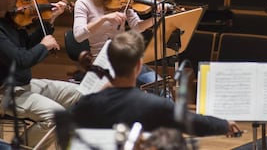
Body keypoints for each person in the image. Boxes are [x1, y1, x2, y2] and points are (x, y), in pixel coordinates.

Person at [69, 29, 241, 138]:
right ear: (138, 66)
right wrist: (224, 124)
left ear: (109, 63)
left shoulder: (86, 104)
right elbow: (193, 123)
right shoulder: (153, 105)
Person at [0, 0, 81, 148]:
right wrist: (44, 45)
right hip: (4, 92)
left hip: (23, 84)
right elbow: (21, 60)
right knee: (55, 116)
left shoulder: (8, 19)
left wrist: (49, 21)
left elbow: (27, 45)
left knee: (80, 95)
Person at [73, 0, 168, 92]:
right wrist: (104, 18)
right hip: (101, 63)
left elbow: (137, 27)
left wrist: (157, 17)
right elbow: (78, 35)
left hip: (125, 59)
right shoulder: (83, 3)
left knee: (160, 86)